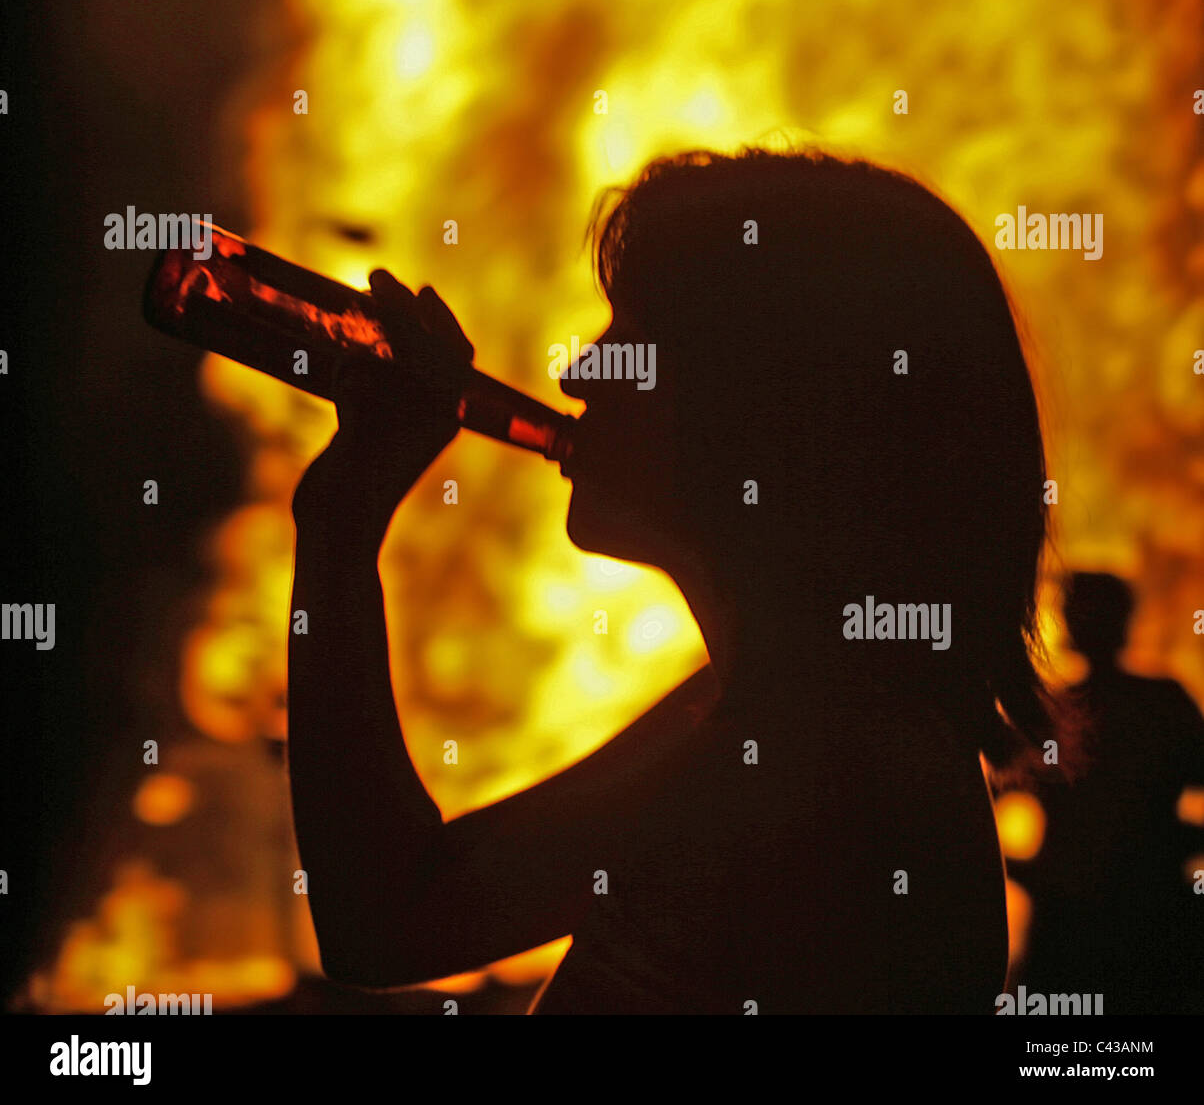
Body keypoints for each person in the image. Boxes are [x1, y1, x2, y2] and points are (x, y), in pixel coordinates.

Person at [287, 146, 1070, 1013]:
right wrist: (341, 522)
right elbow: (393, 917)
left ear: (770, 406)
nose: (578, 374)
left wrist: (341, 533)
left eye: (633, 338)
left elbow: (390, 918)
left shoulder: (820, 767)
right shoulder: (783, 720)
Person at [1016, 571, 1204, 1012]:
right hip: (1151, 912)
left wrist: (1034, 871)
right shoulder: (1162, 702)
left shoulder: (1053, 711)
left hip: (1068, 921)